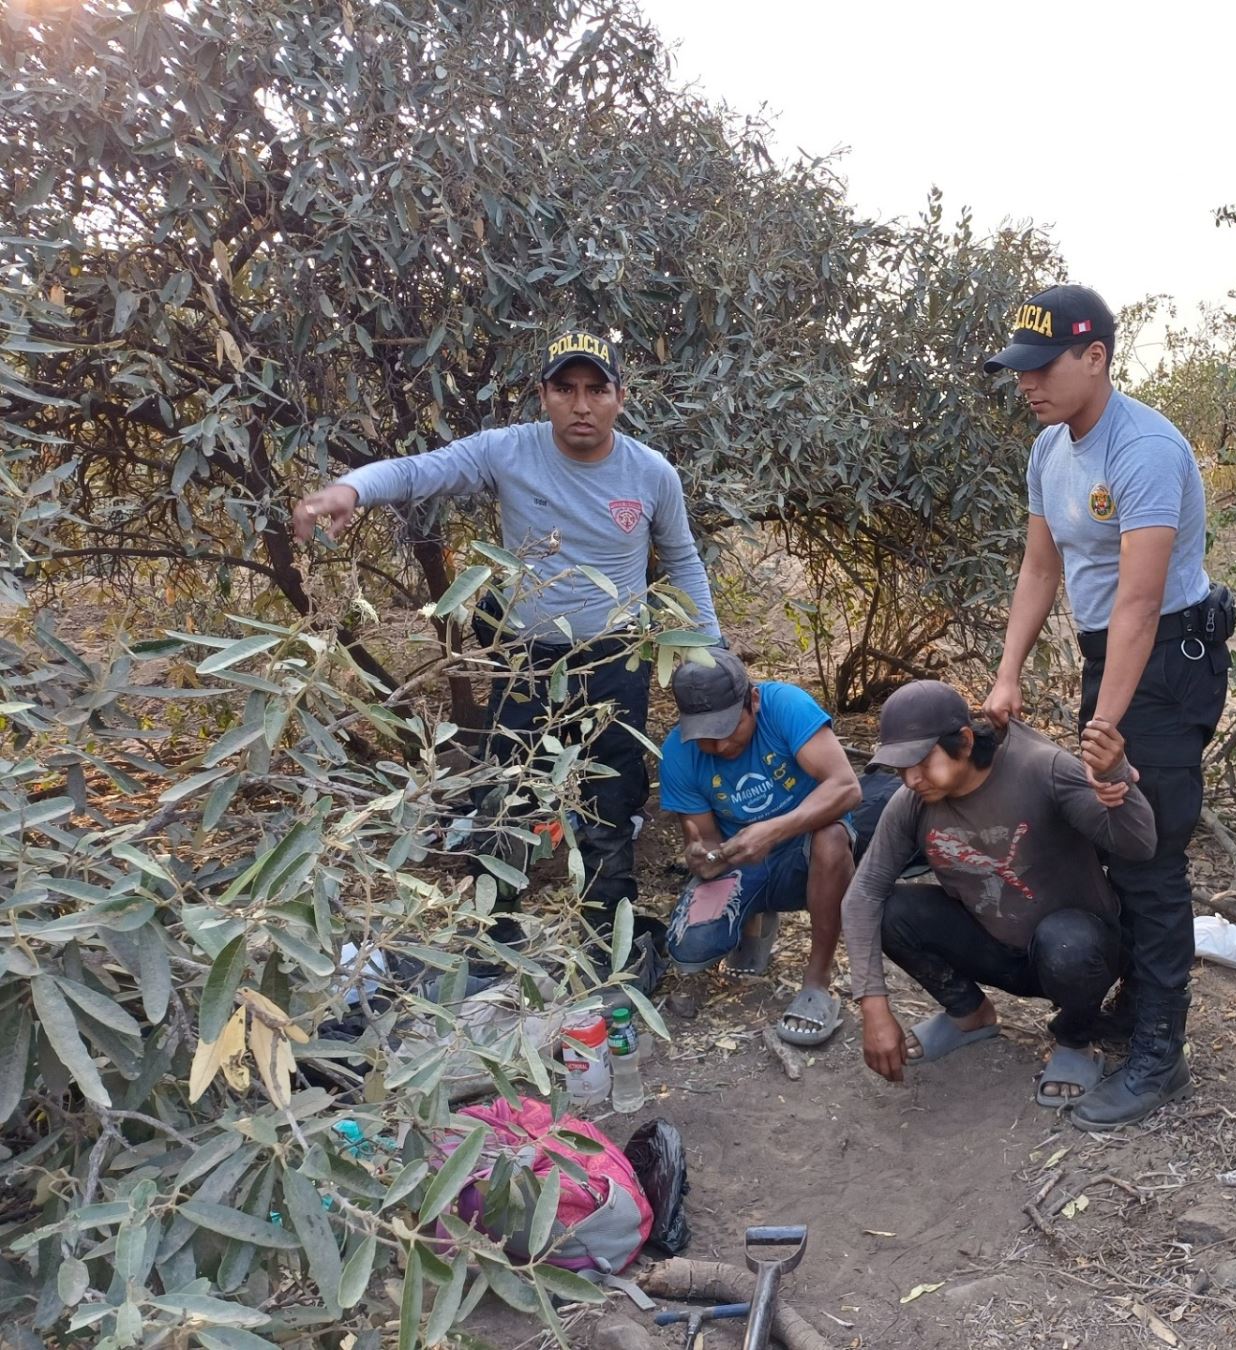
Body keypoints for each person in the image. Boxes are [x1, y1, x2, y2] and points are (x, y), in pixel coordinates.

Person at [292, 326, 721, 925]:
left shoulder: (652, 475)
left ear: (620, 397)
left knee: (614, 790)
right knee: (508, 792)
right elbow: (423, 470)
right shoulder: (508, 450)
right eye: (565, 388)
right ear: (543, 395)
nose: (581, 404)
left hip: (616, 659)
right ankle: (496, 931)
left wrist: (711, 649)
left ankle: (607, 928)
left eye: (597, 389)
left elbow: (682, 561)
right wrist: (352, 488)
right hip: (527, 658)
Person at [980, 285, 1233, 1131]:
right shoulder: (1050, 449)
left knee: (1151, 849)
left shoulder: (1146, 449)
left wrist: (1111, 727)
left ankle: (1163, 1054)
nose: (1027, 383)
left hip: (1167, 658)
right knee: (1114, 847)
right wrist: (1008, 673)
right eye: (1018, 369)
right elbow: (1039, 570)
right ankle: (1133, 1006)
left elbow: (1139, 599)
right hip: (1112, 659)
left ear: (1097, 357)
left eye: (1042, 367)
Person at [846, 681, 1155, 1106]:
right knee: (891, 910)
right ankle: (968, 1015)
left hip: (1076, 951)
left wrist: (1117, 777)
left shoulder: (1040, 768)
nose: (911, 778)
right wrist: (873, 1006)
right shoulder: (913, 802)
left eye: (920, 761)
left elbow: (1140, 845)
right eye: (900, 767)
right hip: (995, 945)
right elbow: (863, 894)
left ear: (965, 741)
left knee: (1069, 942)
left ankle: (1074, 1039)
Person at [659, 648, 861, 1045]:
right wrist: (704, 858)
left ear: (752, 701)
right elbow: (703, 840)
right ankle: (756, 918)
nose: (717, 747)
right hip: (745, 856)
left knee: (832, 837)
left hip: (808, 848)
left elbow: (846, 787)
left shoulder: (786, 706)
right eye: (705, 737)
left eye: (727, 729)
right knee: (689, 950)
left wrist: (773, 830)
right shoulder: (677, 752)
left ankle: (817, 981)